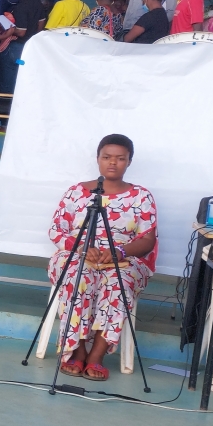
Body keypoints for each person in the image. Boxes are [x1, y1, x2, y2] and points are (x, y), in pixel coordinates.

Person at [45, 135, 156, 381]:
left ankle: (97, 356)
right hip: (77, 254)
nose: (113, 163)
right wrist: (81, 247)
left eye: (120, 158)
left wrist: (119, 252)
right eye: (107, 157)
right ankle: (77, 350)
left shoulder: (141, 196)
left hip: (122, 258)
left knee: (118, 282)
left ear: (129, 161)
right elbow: (55, 230)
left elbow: (148, 240)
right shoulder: (77, 192)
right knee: (77, 276)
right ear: (98, 159)